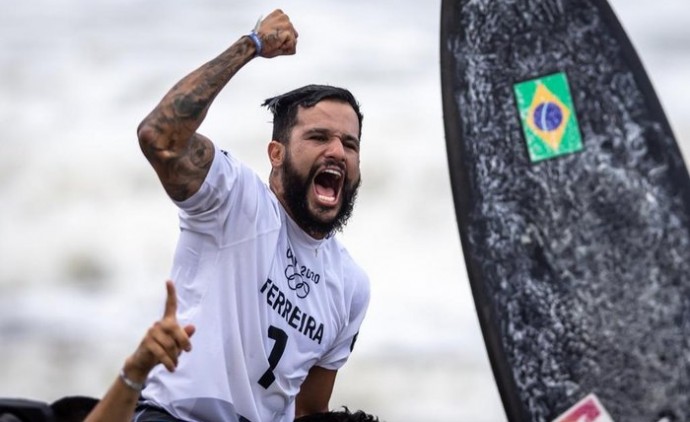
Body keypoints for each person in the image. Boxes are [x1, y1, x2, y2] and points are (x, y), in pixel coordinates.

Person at [133, 8, 371, 422]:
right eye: (318, 137)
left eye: (349, 144)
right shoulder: (234, 200)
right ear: (276, 154)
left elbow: (309, 411)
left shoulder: (351, 287)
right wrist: (252, 45)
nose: (336, 151)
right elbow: (161, 137)